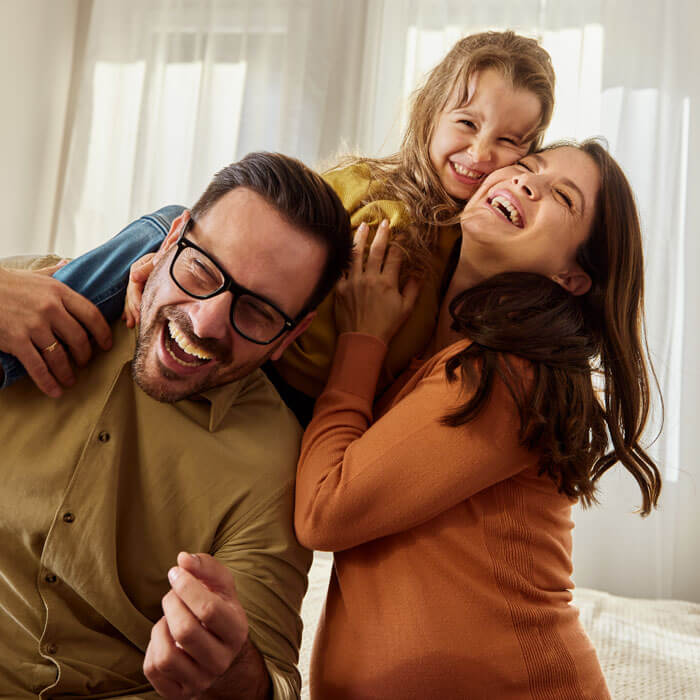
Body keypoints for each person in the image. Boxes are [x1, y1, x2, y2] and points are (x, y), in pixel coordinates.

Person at [0, 30, 556, 418]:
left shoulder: (474, 243)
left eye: (510, 140)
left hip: (308, 400)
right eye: (467, 122)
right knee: (171, 222)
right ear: (431, 114)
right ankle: (41, 315)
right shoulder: (365, 188)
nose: (481, 152)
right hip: (256, 345)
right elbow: (244, 227)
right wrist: (167, 263)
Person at [294, 141, 662, 698]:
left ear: (572, 277)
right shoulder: (430, 355)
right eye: (528, 166)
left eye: (562, 196)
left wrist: (360, 339)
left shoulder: (510, 373)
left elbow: (324, 510)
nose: (527, 182)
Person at [0, 152, 352, 699]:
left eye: (258, 311)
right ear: (171, 238)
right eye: (202, 270)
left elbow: (272, 682)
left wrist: (228, 665)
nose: (207, 320)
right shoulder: (30, 299)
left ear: (290, 335)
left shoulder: (276, 464)